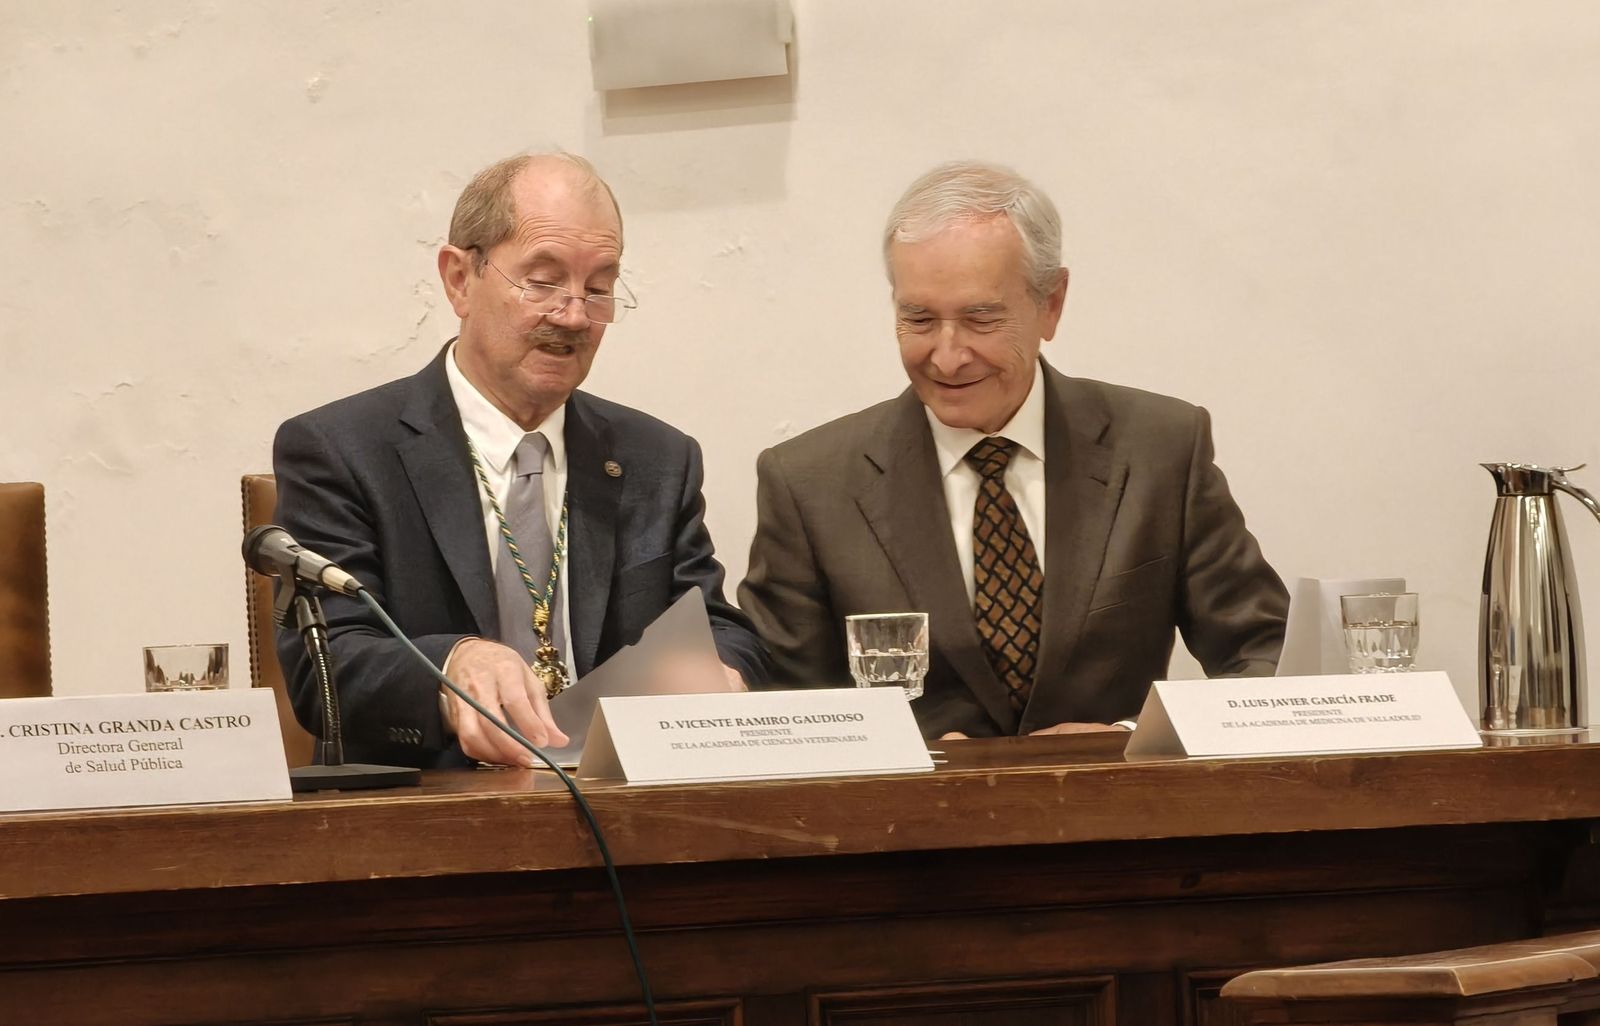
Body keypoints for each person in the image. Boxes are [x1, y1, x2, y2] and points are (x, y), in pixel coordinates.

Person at [739, 161, 1288, 740]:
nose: (947, 357)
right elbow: (781, 711)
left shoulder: (1161, 449)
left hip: (1120, 815)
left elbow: (1264, 655)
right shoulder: (809, 484)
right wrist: (904, 755)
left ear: (1051, 303)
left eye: (981, 318)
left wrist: (1133, 735)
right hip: (910, 824)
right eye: (919, 319)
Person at [273, 152, 768, 768]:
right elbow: (326, 664)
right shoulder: (342, 450)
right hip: (430, 816)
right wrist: (452, 666)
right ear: (459, 278)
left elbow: (717, 626)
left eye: (599, 289)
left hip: (623, 809)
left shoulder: (655, 459)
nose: (574, 315)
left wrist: (723, 673)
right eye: (543, 281)